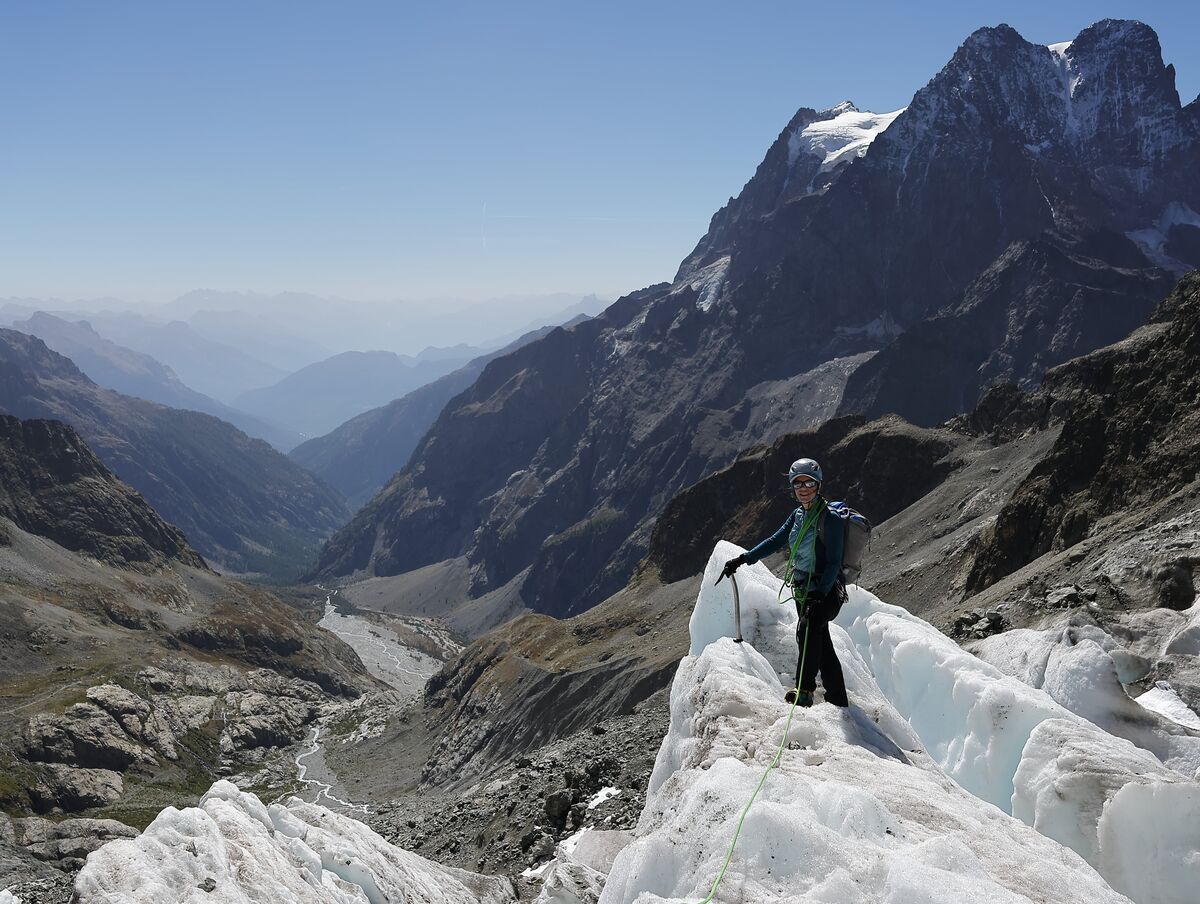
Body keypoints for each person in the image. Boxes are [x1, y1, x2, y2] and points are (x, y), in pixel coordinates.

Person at [720, 457, 848, 708]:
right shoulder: (798, 515)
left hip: (826, 590)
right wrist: (743, 559)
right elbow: (775, 541)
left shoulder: (829, 518)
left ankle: (805, 691)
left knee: (807, 630)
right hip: (803, 590)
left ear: (818, 485)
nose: (803, 488)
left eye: (808, 483)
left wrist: (820, 594)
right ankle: (837, 697)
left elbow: (834, 562)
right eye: (798, 483)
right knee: (821, 642)